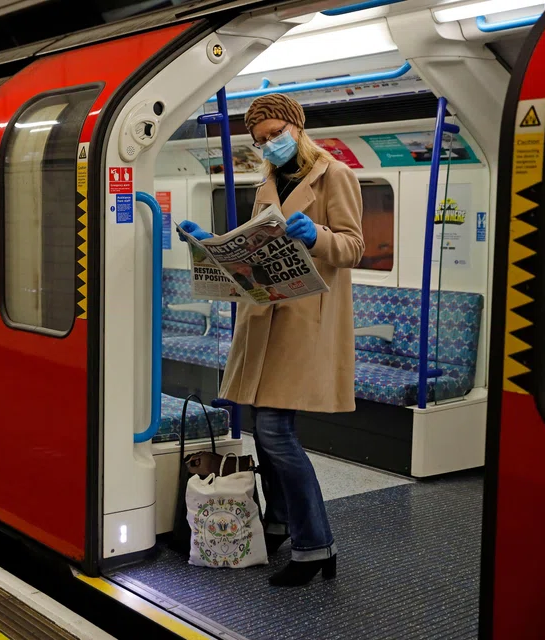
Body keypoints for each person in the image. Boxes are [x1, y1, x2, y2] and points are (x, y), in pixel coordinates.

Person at [178, 93, 363, 587]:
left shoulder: (335, 175)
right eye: (261, 140)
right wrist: (209, 245)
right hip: (265, 316)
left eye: (276, 134)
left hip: (305, 321)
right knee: (264, 431)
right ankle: (279, 523)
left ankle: (316, 544)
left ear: (297, 128)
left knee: (276, 432)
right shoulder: (268, 183)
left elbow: (353, 246)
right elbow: (253, 245)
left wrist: (315, 235)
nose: (269, 144)